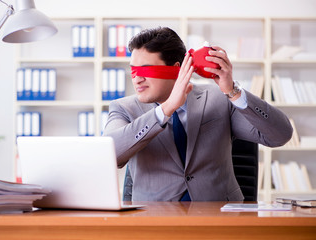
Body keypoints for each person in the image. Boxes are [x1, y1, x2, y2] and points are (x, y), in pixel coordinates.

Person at [103, 27, 293, 201]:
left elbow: (280, 136)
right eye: (133, 70)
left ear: (177, 69)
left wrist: (234, 92)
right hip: (154, 220)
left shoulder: (219, 99)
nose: (137, 78)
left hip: (219, 219)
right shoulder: (123, 108)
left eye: (145, 69)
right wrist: (166, 109)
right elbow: (110, 155)